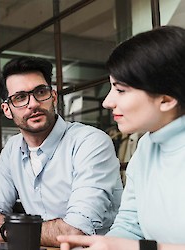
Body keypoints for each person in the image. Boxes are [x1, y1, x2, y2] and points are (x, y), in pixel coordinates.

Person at [57, 26, 185, 250]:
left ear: (166, 99)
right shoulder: (146, 146)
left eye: (121, 90)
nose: (107, 102)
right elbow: (130, 226)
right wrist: (101, 246)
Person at [0, 56, 123, 247]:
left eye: (40, 92)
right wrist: (30, 232)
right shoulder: (12, 149)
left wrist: (5, 231)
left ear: (53, 97)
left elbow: (76, 231)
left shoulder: (89, 142)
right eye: (20, 98)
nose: (33, 104)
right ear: (7, 110)